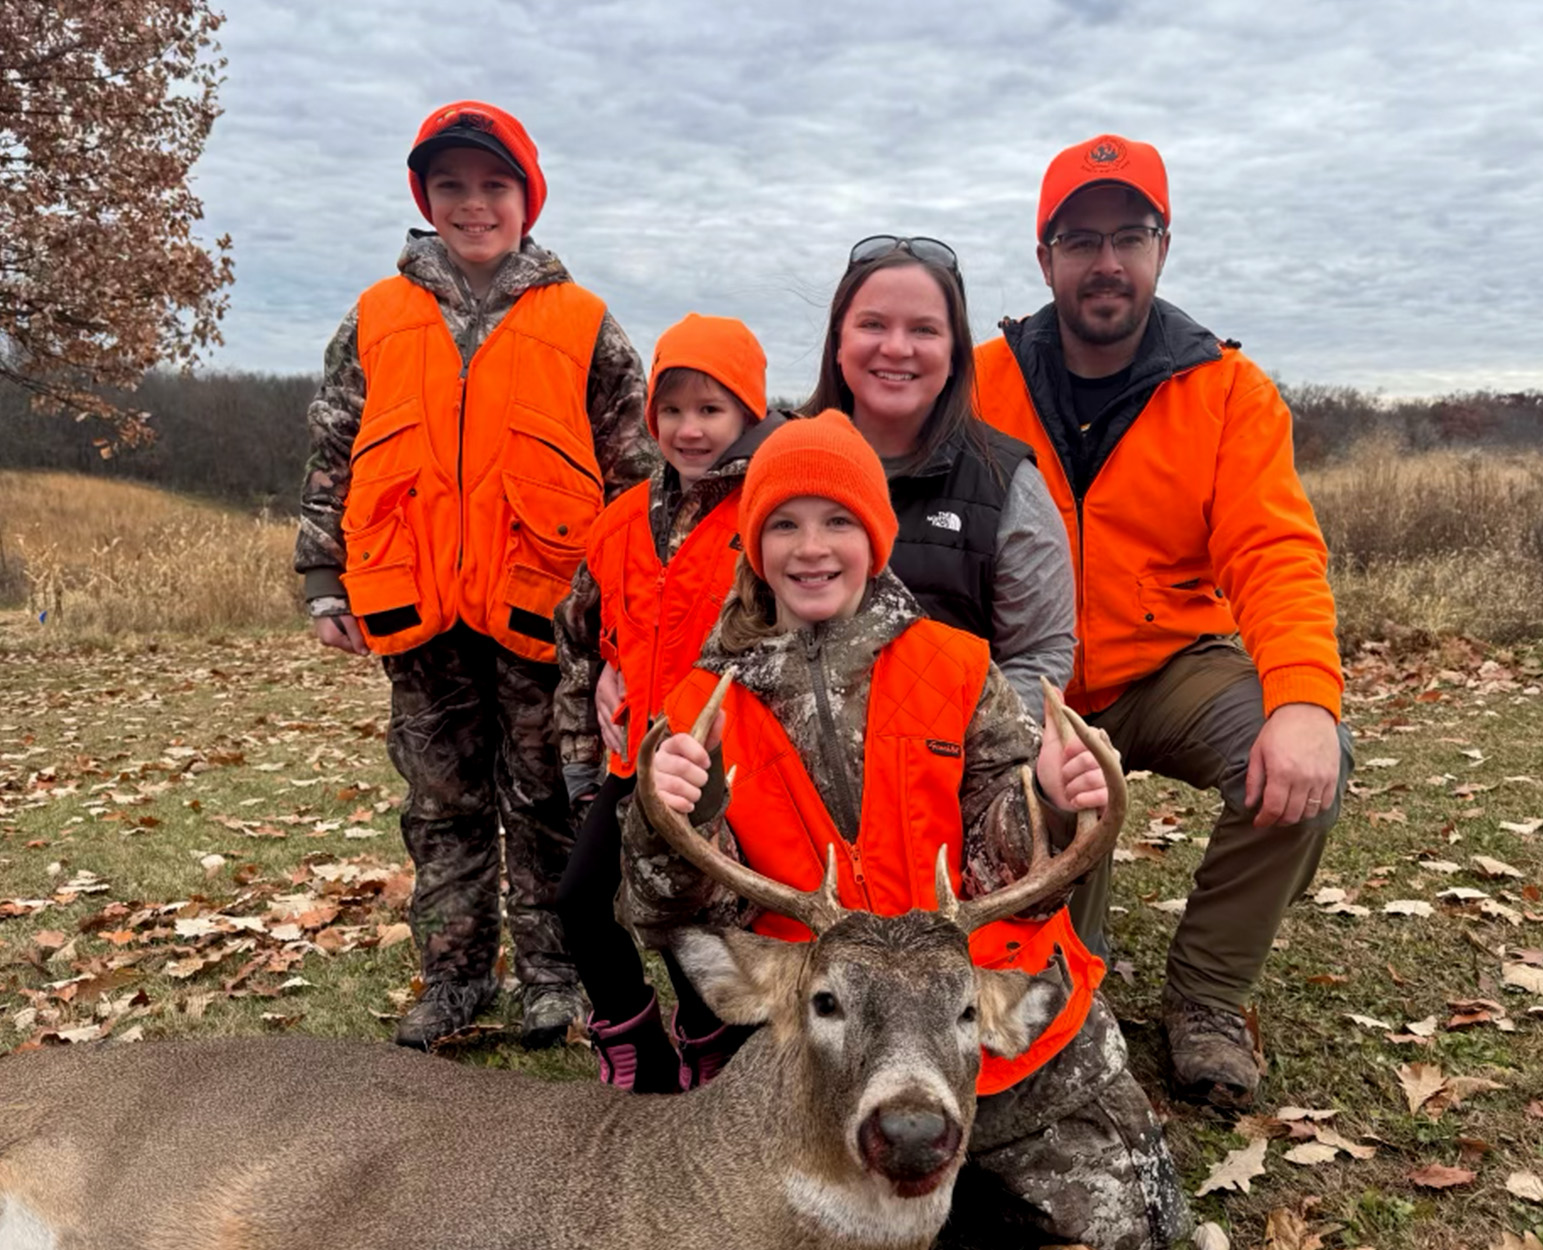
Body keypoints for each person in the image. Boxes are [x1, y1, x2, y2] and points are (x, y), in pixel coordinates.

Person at [623, 412, 1191, 1250]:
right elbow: (664, 909)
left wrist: (1049, 799)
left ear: (876, 538)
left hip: (1002, 1026)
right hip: (834, 1042)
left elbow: (1009, 860)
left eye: (838, 521)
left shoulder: (958, 665)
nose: (811, 547)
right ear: (753, 543)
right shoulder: (700, 707)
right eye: (783, 523)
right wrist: (677, 812)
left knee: (1129, 1235)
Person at [973, 134, 1355, 1109]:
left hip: (1172, 660)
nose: (1106, 261)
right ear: (1044, 256)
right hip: (1035, 680)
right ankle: (1069, 972)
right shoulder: (978, 382)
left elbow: (1272, 552)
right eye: (1079, 238)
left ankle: (1209, 995)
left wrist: (1305, 701)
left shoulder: (1227, 391)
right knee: (1058, 973)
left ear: (1162, 248)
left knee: (1308, 760)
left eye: (1129, 235)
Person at [294, 100, 656, 1050]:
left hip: (542, 607)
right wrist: (325, 575)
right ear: (425, 197)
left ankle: (553, 978)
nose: (472, 204)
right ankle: (454, 980)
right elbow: (335, 445)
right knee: (442, 806)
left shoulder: (584, 323)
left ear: (527, 197)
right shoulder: (377, 313)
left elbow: (635, 479)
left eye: (493, 185)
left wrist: (625, 613)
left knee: (544, 800)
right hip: (413, 606)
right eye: (449, 185)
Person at [551, 312, 784, 1092]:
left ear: (748, 413)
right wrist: (586, 763)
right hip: (635, 761)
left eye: (711, 410)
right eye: (673, 409)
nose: (689, 429)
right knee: (582, 900)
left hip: (726, 776)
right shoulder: (620, 520)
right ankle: (634, 1044)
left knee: (696, 921)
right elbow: (581, 641)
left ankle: (708, 1039)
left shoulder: (767, 516)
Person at [802, 236, 1075, 716]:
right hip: (777, 766)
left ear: (955, 355)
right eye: (872, 324)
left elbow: (1040, 654)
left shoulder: (1008, 483)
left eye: (924, 330)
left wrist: (948, 740)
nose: (896, 347)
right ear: (838, 341)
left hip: (947, 774)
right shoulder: (771, 460)